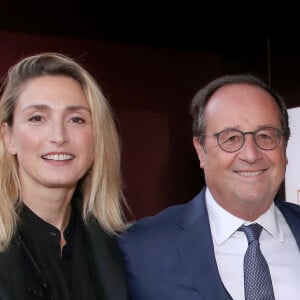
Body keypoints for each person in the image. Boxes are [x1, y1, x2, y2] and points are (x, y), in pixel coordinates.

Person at [118, 74, 300, 299]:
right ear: (200, 150)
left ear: (284, 147)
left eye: (265, 136)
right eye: (231, 138)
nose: (251, 154)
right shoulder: (140, 249)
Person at [0, 52, 129, 299]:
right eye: (37, 118)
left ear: (96, 137)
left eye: (76, 119)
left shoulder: (121, 248)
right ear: (8, 137)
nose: (59, 136)